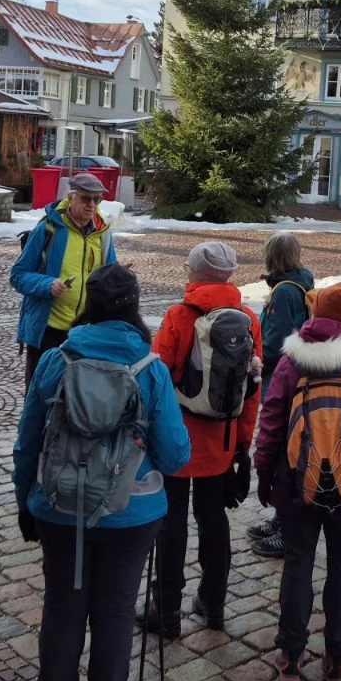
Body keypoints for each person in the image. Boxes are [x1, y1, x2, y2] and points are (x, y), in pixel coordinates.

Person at [13, 265, 190, 681]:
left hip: (59, 509)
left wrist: (26, 499)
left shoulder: (55, 360)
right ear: (133, 307)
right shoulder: (150, 368)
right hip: (131, 516)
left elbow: (28, 443)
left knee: (62, 612)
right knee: (114, 617)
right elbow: (176, 455)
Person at [253, 283, 341, 681]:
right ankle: (338, 660)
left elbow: (272, 420)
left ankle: (291, 655)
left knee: (297, 564)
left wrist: (263, 471)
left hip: (296, 484)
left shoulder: (294, 360)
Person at [146, 242, 262, 637]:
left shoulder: (179, 315)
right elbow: (252, 390)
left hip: (177, 437)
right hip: (222, 439)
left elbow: (157, 379)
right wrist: (243, 441)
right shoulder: (248, 319)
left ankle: (166, 610)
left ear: (194, 273)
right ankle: (213, 603)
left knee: (171, 520)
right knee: (213, 519)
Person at [11, 174, 118, 382]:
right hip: (48, 330)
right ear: (71, 198)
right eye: (86, 199)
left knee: (78, 399)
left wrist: (117, 273)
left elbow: (108, 276)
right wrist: (47, 284)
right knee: (40, 395)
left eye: (97, 200)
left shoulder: (102, 233)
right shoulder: (47, 229)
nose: (92, 205)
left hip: (84, 332)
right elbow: (18, 274)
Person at [248, 231, 314, 561]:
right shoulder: (299, 282)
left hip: (282, 377)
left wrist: (257, 357)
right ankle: (279, 520)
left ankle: (286, 526)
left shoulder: (285, 292)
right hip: (295, 374)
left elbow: (274, 340)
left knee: (285, 456)